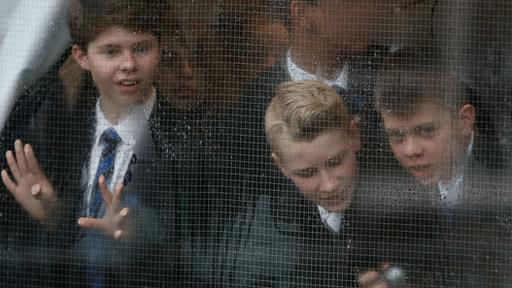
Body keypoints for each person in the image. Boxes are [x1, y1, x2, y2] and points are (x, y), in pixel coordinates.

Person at [0, 1, 189, 286]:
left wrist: (136, 237)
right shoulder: (59, 136)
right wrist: (54, 214)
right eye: (111, 51)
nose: (128, 64)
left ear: (160, 49)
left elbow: (199, 252)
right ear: (81, 57)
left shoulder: (186, 143)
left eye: (142, 48)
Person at [359, 50, 512, 287]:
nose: (411, 150)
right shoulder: (387, 185)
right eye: (397, 136)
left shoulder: (502, 179)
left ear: (464, 120)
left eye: (427, 130)